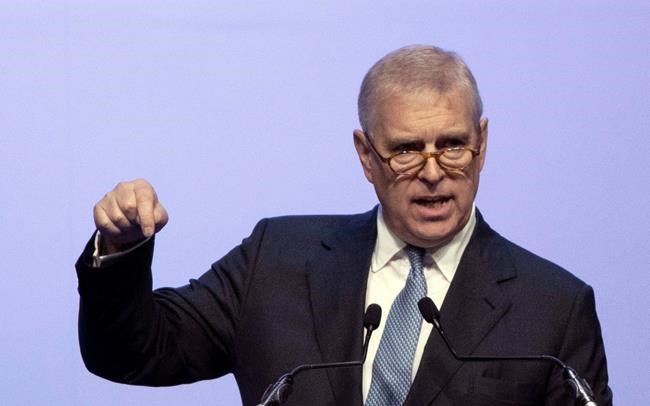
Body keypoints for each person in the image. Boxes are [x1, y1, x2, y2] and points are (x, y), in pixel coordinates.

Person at [76, 45, 612, 405]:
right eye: (406, 150)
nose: (433, 172)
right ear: (366, 155)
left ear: (483, 143)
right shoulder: (276, 261)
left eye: (452, 145)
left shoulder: (554, 309)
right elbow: (132, 353)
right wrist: (120, 250)